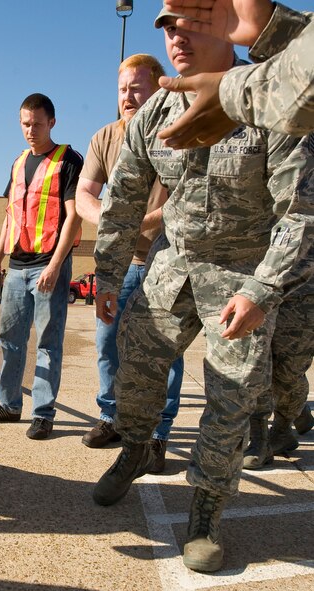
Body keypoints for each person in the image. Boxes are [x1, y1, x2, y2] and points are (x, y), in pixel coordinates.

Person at [91, 5, 311, 573]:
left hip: (241, 275)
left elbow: (300, 211)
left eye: (189, 22)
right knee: (134, 367)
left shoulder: (269, 100)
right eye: (166, 27)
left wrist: (264, 289)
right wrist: (109, 274)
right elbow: (121, 201)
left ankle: (207, 508)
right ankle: (137, 448)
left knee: (232, 395)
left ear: (225, 23)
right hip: (171, 267)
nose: (176, 37)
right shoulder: (154, 112)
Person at [75, 54, 184, 473]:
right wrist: (109, 218)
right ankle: (112, 418)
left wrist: (134, 220)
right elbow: (85, 193)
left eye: (137, 87)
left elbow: (182, 199)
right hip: (118, 262)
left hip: (165, 260)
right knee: (108, 345)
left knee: (165, 351)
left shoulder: (176, 133)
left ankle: (157, 435)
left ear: (158, 88)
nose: (127, 96)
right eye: (122, 88)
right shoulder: (104, 137)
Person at [0, 93, 83, 441]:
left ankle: (42, 413)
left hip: (48, 266)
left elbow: (73, 218)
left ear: (52, 122)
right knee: (11, 340)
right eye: (25, 123)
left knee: (49, 343)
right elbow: (11, 215)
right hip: (17, 267)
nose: (30, 130)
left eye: (37, 123)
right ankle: (8, 404)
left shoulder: (68, 161)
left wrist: (55, 265)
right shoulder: (19, 162)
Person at [157, 0, 313, 147]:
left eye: (193, 22)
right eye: (170, 28)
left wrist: (228, 95)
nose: (178, 39)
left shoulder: (276, 109)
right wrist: (272, 26)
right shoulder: (152, 114)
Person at [242, 273, 314, 469]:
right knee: (255, 366)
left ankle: (283, 429)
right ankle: (259, 440)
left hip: (303, 290)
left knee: (289, 372)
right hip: (253, 288)